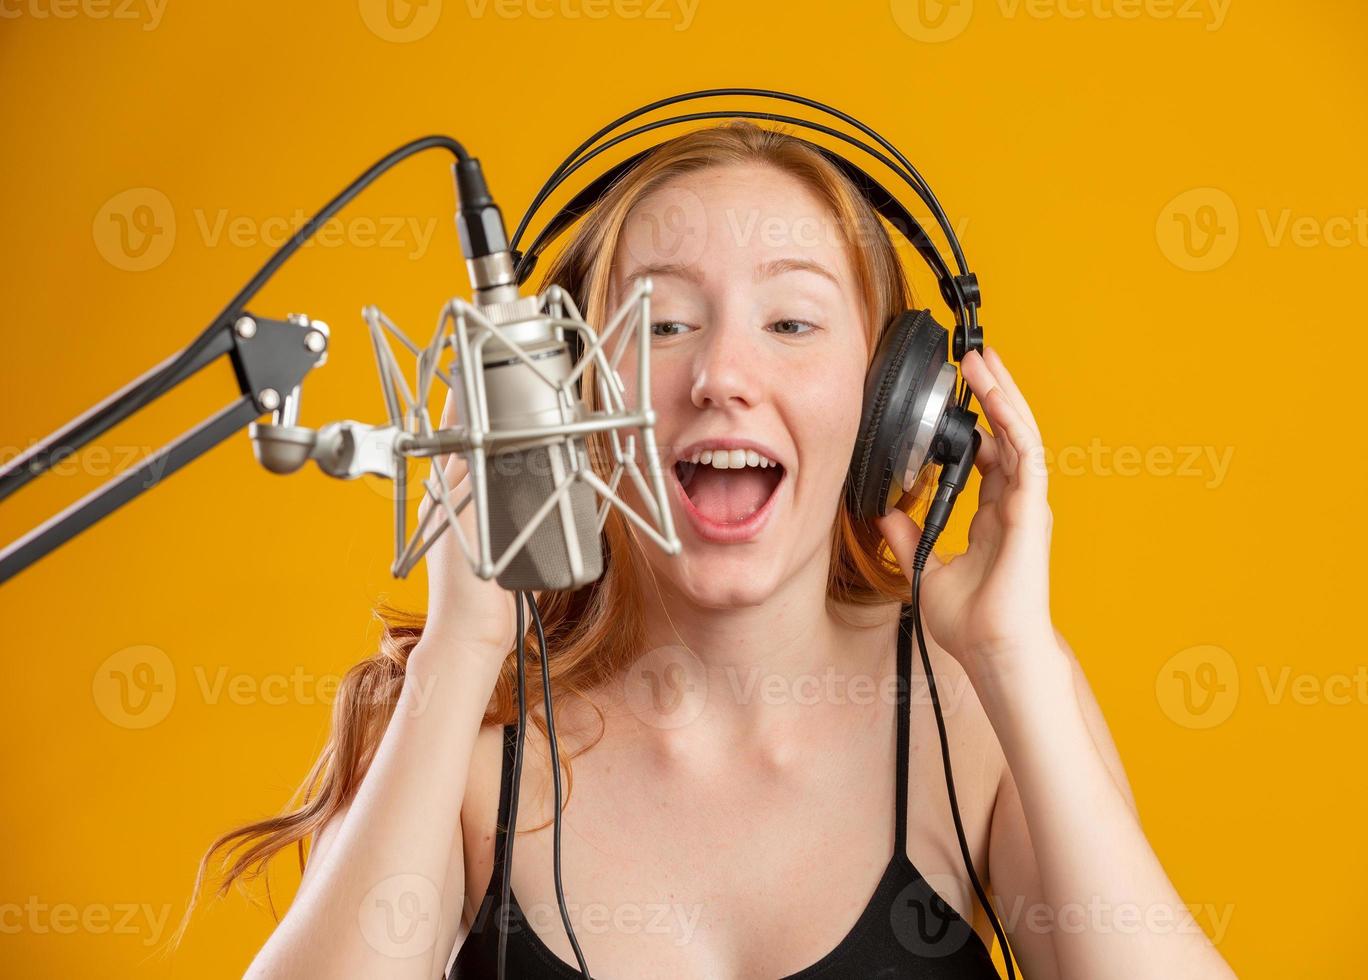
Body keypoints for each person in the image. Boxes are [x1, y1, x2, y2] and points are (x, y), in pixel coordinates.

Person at [192, 121, 1236, 979]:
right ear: (562, 394)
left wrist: (1014, 657)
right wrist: (463, 646)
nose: (722, 374)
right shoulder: (467, 727)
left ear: (893, 405)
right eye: (661, 324)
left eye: (791, 322)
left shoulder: (978, 710)